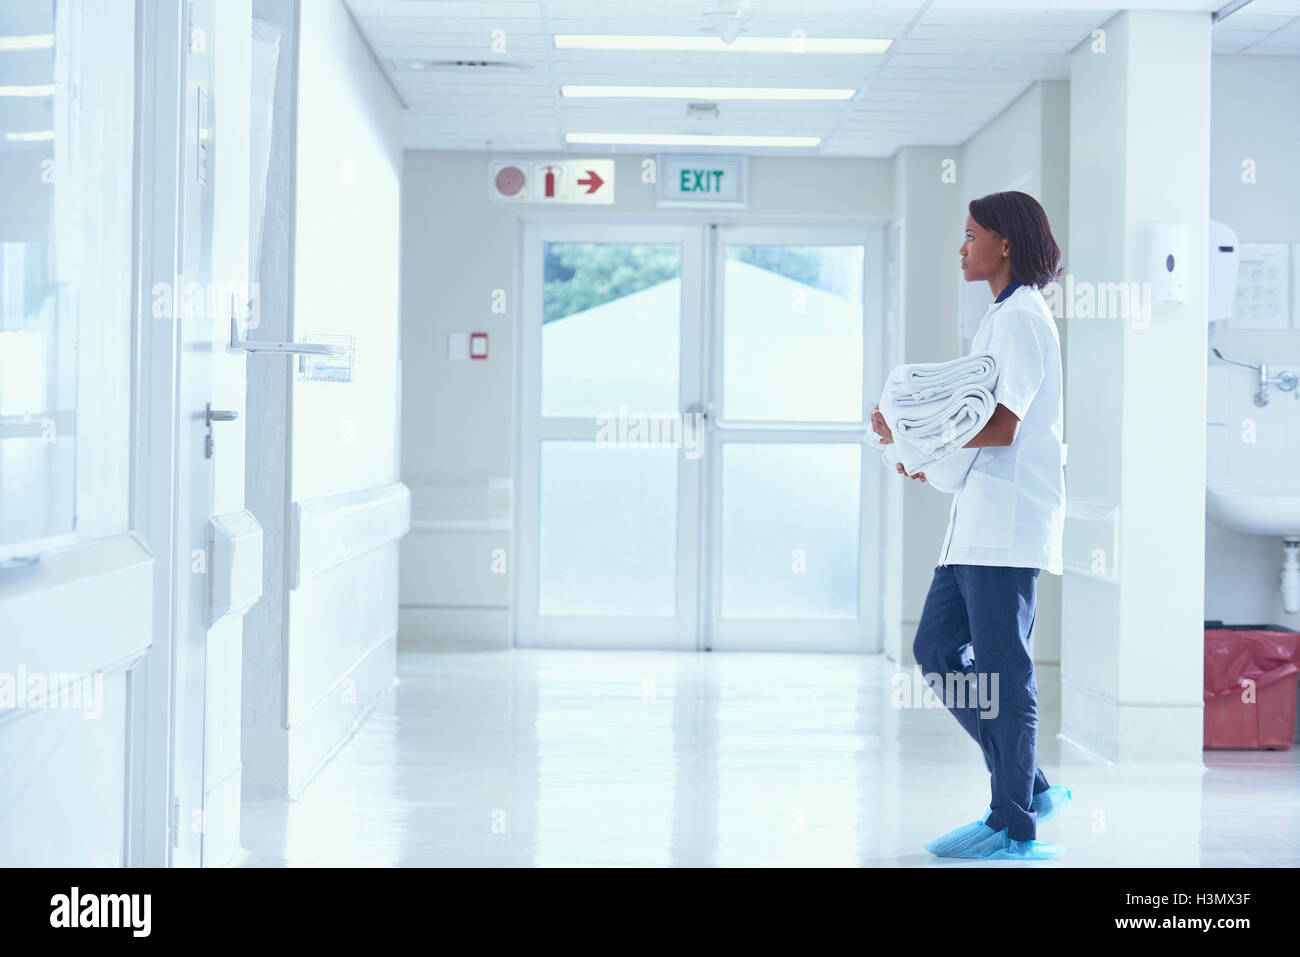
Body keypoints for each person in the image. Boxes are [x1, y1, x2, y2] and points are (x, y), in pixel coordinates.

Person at [870, 191, 1072, 860]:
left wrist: (917, 444)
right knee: (934, 650)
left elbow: (1003, 425)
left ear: (1004, 244)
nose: (961, 247)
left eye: (970, 235)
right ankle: (1028, 787)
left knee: (1003, 675)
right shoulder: (999, 317)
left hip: (1007, 528)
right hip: (976, 526)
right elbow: (968, 422)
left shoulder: (1021, 320)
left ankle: (1015, 825)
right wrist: (909, 441)